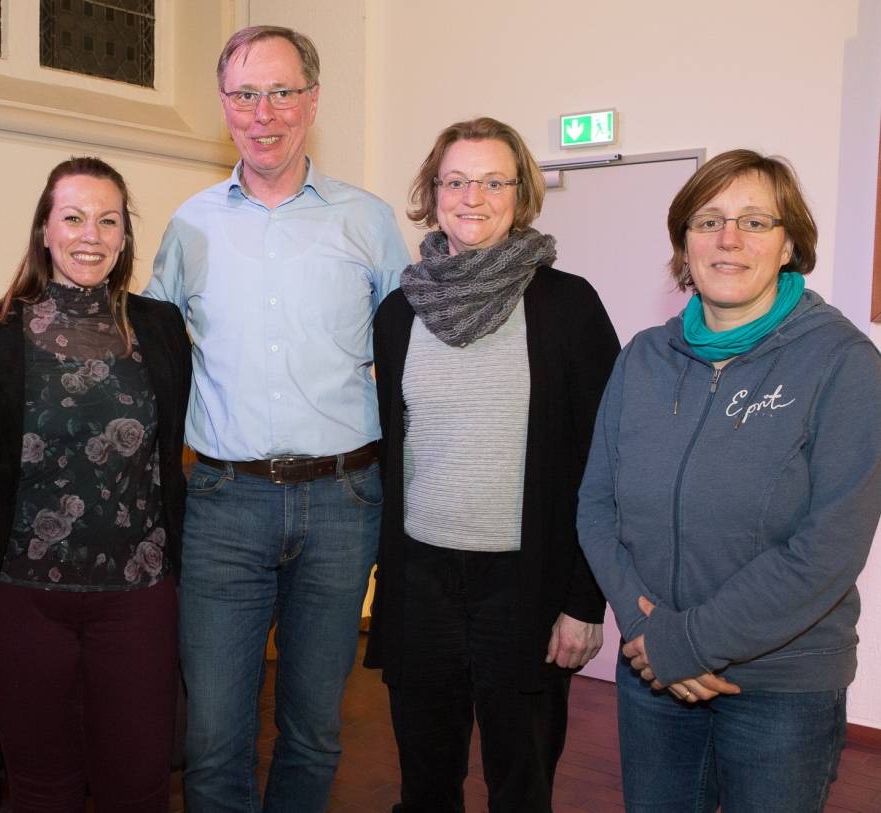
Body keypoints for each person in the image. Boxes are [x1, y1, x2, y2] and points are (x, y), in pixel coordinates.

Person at [144, 25, 411, 813]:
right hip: (223, 503)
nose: (264, 113)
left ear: (313, 101)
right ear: (224, 106)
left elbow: (409, 355)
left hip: (342, 502)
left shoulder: (367, 222)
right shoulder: (189, 226)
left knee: (314, 728)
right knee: (214, 736)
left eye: (281, 92)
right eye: (244, 95)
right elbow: (154, 361)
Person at [577, 149, 881, 812]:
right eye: (707, 220)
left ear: (789, 243)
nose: (727, 239)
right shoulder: (641, 358)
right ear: (682, 244)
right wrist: (643, 628)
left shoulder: (843, 362)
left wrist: (685, 642)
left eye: (754, 221)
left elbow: (829, 546)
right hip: (651, 672)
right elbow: (595, 507)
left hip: (780, 687)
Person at [364, 117, 620, 812]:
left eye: (491, 180)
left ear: (520, 191)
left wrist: (581, 600)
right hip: (422, 580)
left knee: (520, 782)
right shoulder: (398, 312)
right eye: (455, 180)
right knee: (424, 782)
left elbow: (607, 462)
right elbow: (395, 450)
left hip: (525, 583)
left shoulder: (568, 306)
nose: (471, 195)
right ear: (431, 190)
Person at [0, 156, 191, 813]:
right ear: (43, 231)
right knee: (42, 785)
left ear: (125, 236)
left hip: (138, 597)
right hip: (19, 599)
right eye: (72, 217)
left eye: (108, 220)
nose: (91, 234)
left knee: (136, 785)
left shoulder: (160, 330)